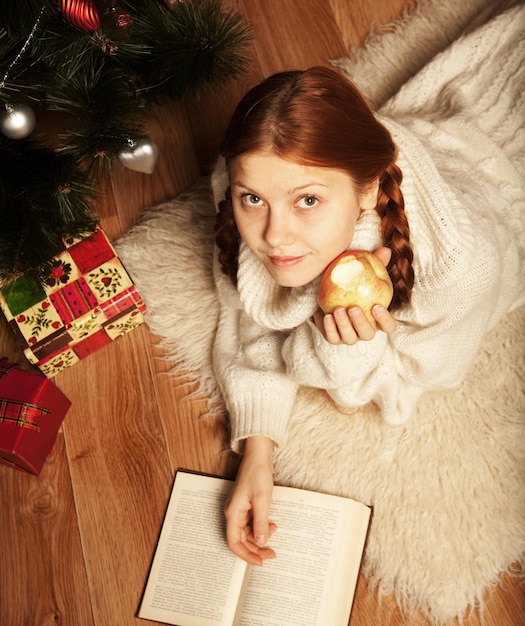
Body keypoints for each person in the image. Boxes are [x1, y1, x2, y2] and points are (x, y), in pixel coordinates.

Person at [211, 66, 524, 566]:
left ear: (365, 192)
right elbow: (249, 314)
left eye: (307, 200)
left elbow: (411, 385)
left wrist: (346, 346)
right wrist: (257, 451)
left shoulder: (460, 270)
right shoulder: (250, 180)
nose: (273, 235)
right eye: (253, 200)